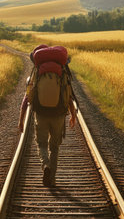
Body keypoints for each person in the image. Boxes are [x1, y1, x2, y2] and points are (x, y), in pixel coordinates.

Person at [18, 44, 77, 187]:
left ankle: (45, 166)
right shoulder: (62, 72)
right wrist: (73, 116)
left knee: (42, 144)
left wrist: (21, 120)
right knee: (55, 148)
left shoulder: (38, 72)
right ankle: (52, 180)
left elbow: (27, 98)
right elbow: (68, 96)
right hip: (58, 115)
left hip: (41, 114)